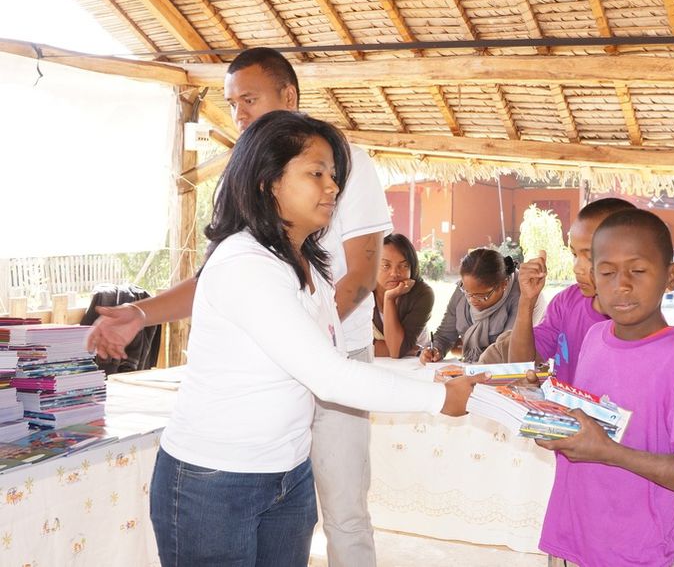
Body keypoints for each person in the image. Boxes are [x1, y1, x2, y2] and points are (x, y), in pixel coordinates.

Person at [87, 47, 390, 566]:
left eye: (248, 98)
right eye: (231, 103)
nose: (239, 113)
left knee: (342, 511)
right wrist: (141, 313)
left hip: (335, 361)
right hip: (265, 403)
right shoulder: (244, 202)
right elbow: (218, 277)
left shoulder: (343, 163)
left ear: (288, 96)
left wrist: (309, 343)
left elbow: (360, 274)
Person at [147, 110, 486, 566]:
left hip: (287, 473)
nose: (333, 187)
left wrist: (436, 383)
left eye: (334, 175)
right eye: (316, 173)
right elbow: (329, 375)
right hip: (217, 480)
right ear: (269, 182)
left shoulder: (307, 265)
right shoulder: (245, 263)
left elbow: (327, 361)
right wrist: (438, 396)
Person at [535, 209, 674, 567]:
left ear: (670, 276)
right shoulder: (595, 338)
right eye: (607, 272)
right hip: (569, 541)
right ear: (593, 276)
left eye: (638, 271)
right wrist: (554, 426)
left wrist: (609, 452)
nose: (621, 285)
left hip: (632, 555)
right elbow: (596, 422)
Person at [508, 197, 636, 383]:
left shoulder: (637, 319)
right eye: (575, 254)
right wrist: (526, 300)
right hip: (564, 412)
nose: (577, 267)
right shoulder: (567, 302)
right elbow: (521, 366)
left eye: (590, 255)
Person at [420, 248, 541, 363]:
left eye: (482, 295)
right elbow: (444, 336)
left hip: (502, 371)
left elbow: (507, 349)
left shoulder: (522, 296)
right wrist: (435, 349)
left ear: (504, 284)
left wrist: (475, 369)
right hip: (471, 367)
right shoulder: (464, 289)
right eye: (467, 292)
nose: (472, 300)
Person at [372, 233, 435, 358]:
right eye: (386, 265)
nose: (394, 273)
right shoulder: (363, 291)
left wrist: (389, 298)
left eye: (404, 265)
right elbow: (352, 345)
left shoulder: (423, 294)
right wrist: (409, 349)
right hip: (374, 365)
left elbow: (396, 350)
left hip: (415, 363)